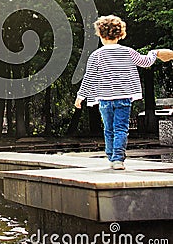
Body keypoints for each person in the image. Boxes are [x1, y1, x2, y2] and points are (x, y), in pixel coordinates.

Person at [74, 15, 173, 170]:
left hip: (105, 99)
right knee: (121, 129)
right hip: (124, 98)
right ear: (120, 34)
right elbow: (145, 62)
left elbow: (89, 77)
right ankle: (118, 159)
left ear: (100, 34)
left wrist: (81, 96)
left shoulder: (96, 55)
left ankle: (110, 155)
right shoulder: (128, 52)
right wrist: (155, 53)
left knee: (109, 128)